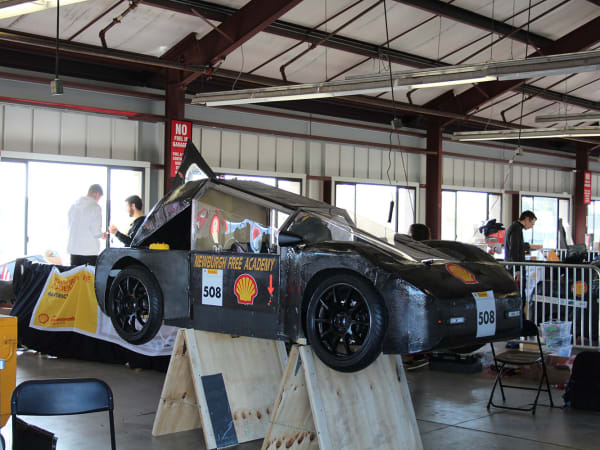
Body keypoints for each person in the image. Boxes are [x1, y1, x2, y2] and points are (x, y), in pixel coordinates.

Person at [67, 184, 107, 266]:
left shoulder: (74, 206)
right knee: (89, 274)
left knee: (75, 273)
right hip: (89, 251)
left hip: (73, 249)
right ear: (96, 194)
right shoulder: (95, 207)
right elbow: (96, 231)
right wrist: (103, 235)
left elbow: (70, 226)